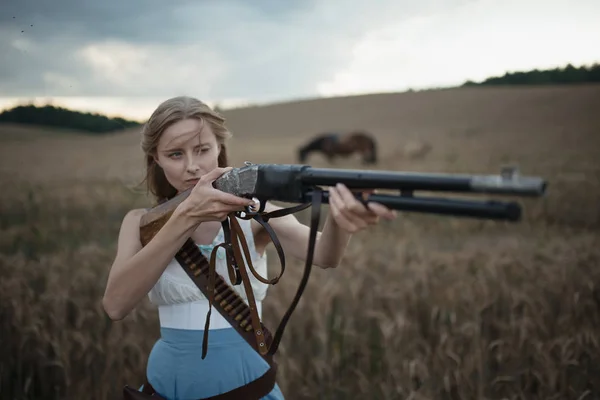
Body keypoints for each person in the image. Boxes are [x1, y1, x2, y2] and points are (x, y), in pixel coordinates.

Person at [102, 96, 397, 400]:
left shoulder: (253, 212)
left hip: (245, 385)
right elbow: (115, 305)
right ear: (156, 159)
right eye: (175, 154)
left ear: (220, 149)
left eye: (202, 150)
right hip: (167, 386)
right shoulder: (139, 222)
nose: (192, 166)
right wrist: (186, 217)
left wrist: (339, 219)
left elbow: (324, 255)